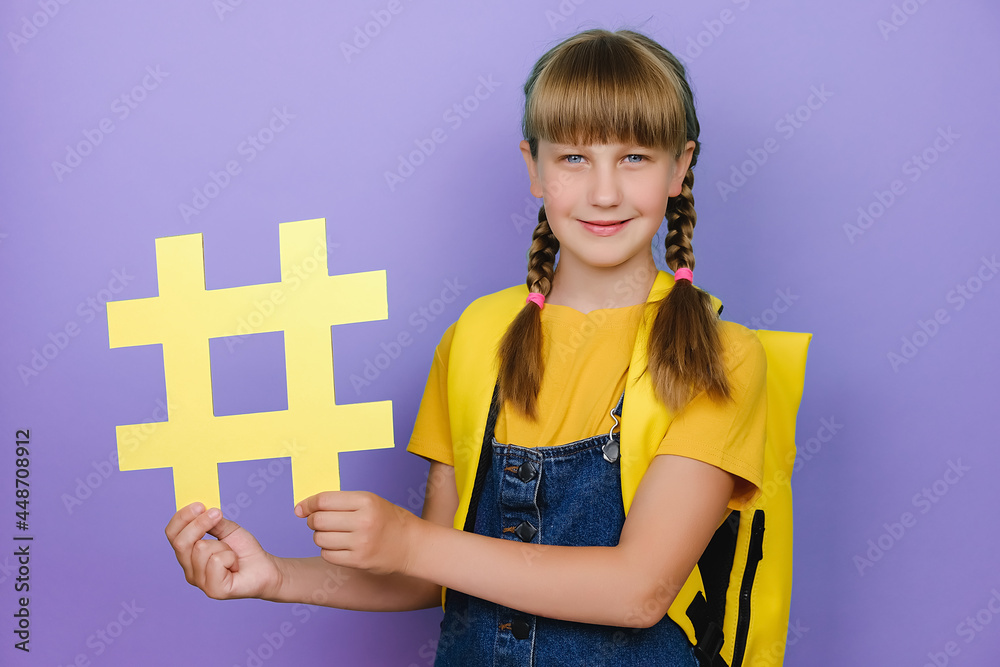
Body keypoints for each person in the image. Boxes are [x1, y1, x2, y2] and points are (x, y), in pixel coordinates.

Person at [165, 28, 768, 666]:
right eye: (573, 158)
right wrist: (276, 577)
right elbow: (435, 573)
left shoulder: (719, 354)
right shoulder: (477, 335)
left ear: (680, 167)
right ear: (533, 168)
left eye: (635, 158)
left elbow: (638, 591)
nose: (604, 192)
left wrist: (409, 541)